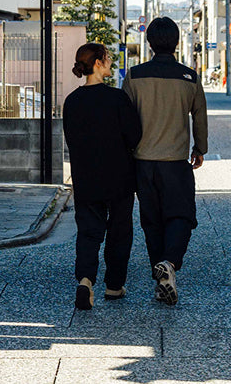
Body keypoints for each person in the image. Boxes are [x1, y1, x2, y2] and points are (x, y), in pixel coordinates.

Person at [122, 17, 207, 305]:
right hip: (175, 160)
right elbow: (200, 116)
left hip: (142, 161)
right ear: (177, 42)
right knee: (181, 215)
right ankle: (169, 263)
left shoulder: (134, 76)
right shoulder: (189, 78)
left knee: (152, 221)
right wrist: (200, 148)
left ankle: (161, 279)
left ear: (149, 43)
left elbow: (126, 118)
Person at [62, 42, 142, 311]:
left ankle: (85, 281)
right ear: (97, 63)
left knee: (88, 231)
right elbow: (134, 136)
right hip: (119, 176)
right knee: (119, 231)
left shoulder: (72, 101)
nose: (110, 61)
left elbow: (71, 140)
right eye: (107, 58)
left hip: (85, 177)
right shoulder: (117, 99)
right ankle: (114, 286)